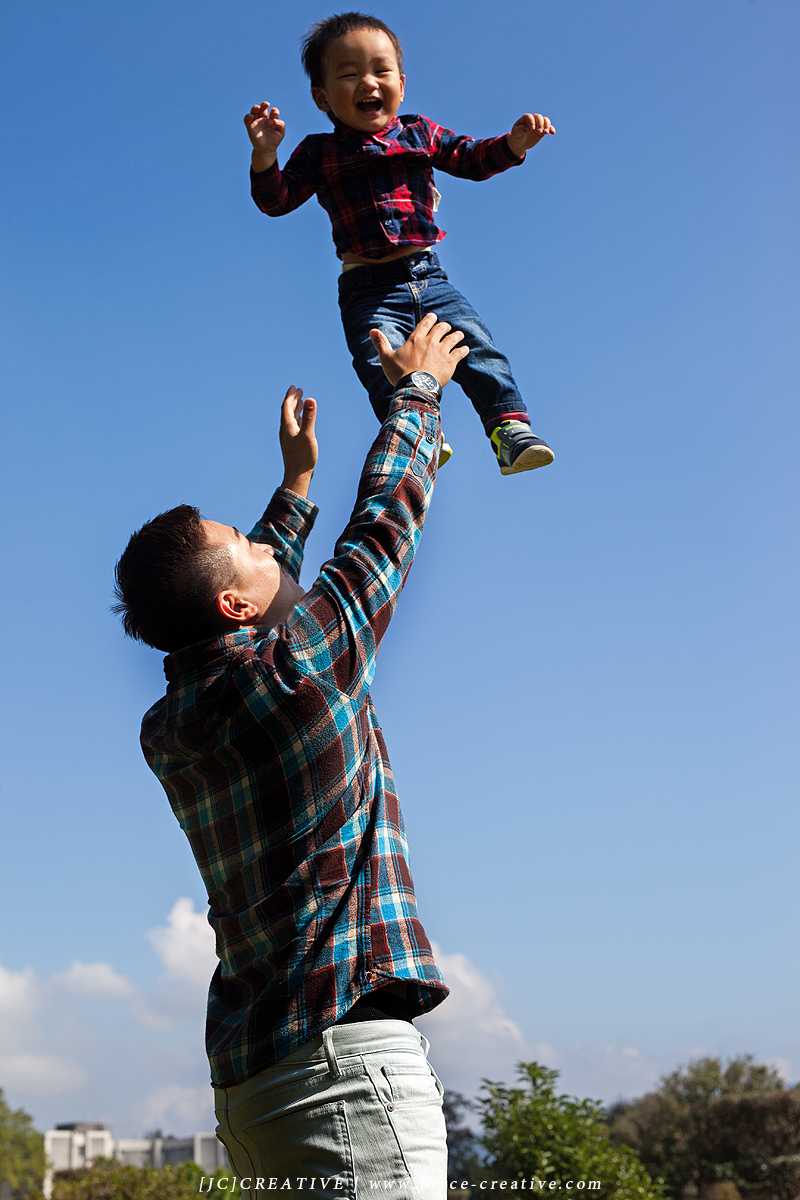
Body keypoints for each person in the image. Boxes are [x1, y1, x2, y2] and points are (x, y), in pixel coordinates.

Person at [113, 315, 469, 1198]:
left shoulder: (173, 724)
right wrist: (417, 395)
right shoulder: (297, 671)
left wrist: (295, 486)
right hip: (347, 1078)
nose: (274, 548)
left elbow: (251, 609)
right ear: (235, 603)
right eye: (255, 545)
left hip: (260, 1083)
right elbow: (384, 529)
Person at [244, 10, 556, 476]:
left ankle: (508, 428)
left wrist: (512, 144)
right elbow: (277, 200)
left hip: (428, 277)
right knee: (378, 360)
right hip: (367, 289)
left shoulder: (418, 133)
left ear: (402, 84)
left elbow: (468, 157)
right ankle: (417, 432)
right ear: (322, 97)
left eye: (380, 70)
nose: (368, 82)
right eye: (348, 75)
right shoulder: (318, 152)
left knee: (475, 346)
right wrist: (266, 154)